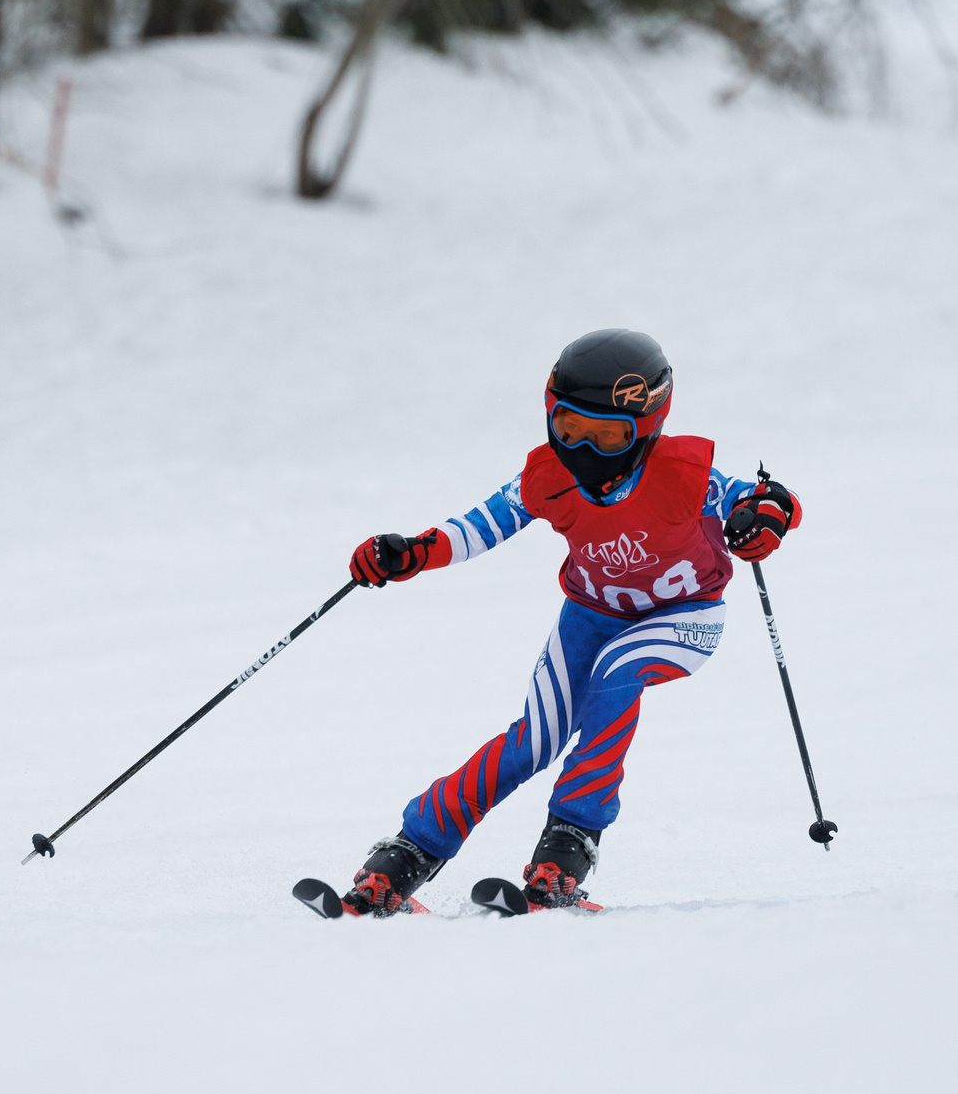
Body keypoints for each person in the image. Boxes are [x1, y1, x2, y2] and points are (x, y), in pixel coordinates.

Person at [325, 329, 805, 915]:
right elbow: (480, 524)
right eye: (569, 428)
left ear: (648, 427)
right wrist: (412, 552)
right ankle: (408, 852)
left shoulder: (682, 472)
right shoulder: (551, 474)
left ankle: (569, 845)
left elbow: (750, 499)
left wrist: (766, 513)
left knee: (619, 671)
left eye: (608, 437)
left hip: (684, 617)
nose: (585, 450)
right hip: (590, 615)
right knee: (536, 738)